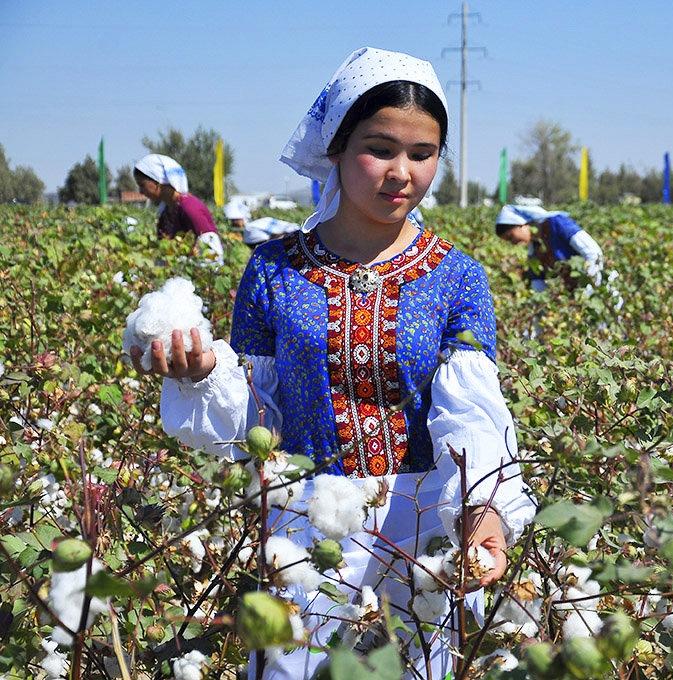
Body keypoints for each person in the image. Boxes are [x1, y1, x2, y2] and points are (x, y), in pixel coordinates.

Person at [127, 47, 535, 679]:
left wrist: (483, 508)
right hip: (305, 522)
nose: (402, 172)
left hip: (423, 518)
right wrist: (204, 377)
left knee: (417, 665)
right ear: (336, 150)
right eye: (380, 148)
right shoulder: (273, 269)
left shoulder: (456, 277)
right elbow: (260, 418)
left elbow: (472, 415)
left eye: (423, 154)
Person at [134, 154, 224, 266]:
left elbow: (213, 255)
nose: (141, 191)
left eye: (142, 185)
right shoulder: (165, 212)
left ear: (157, 181)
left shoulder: (190, 208)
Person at [494, 204, 606, 293]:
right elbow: (537, 280)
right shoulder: (534, 247)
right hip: (576, 296)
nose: (513, 242)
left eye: (511, 236)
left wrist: (588, 288)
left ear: (522, 223)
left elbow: (593, 253)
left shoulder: (557, 223)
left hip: (600, 290)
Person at [224, 199, 301, 248]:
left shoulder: (255, 226)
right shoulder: (248, 230)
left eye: (235, 220)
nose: (233, 223)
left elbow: (284, 229)